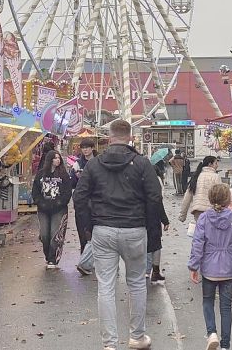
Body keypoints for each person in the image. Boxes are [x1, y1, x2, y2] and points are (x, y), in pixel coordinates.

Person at [73, 119, 162, 350]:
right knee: (137, 283)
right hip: (135, 228)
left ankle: (109, 343)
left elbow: (79, 197)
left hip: (103, 229)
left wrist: (88, 227)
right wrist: (151, 229)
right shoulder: (142, 163)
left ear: (109, 138)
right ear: (130, 138)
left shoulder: (94, 165)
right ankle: (137, 336)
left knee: (106, 286)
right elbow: (154, 197)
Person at [189, 184, 232, 350]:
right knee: (226, 307)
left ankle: (212, 333)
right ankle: (225, 345)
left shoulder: (204, 218)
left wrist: (194, 266)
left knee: (208, 301)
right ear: (228, 199)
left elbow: (198, 243)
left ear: (210, 198)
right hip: (228, 268)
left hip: (209, 268)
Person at [32, 150, 73, 269]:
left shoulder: (64, 175)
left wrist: (60, 202)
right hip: (43, 209)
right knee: (44, 235)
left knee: (55, 234)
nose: (57, 160)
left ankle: (53, 259)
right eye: (55, 158)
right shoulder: (41, 174)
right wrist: (40, 202)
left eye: (59, 158)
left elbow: (67, 191)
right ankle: (47, 255)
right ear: (50, 159)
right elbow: (35, 190)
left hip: (59, 209)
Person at [74, 140, 98, 276]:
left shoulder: (99, 162)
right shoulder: (77, 164)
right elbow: (72, 183)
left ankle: (93, 260)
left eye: (87, 147)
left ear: (92, 148)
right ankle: (85, 259)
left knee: (97, 232)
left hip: (96, 202)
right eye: (83, 148)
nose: (85, 150)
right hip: (82, 203)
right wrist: (77, 177)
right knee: (83, 231)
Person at [179, 156, 222, 223]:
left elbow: (187, 197)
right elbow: (220, 195)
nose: (217, 165)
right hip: (211, 210)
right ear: (210, 164)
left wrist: (182, 215)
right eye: (216, 163)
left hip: (197, 211)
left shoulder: (196, 176)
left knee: (200, 228)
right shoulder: (216, 177)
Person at [146, 195, 170, 284]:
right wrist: (165, 221)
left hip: (138, 219)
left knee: (144, 244)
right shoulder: (153, 188)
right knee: (156, 245)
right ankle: (154, 272)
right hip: (153, 220)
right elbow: (159, 204)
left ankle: (146, 270)